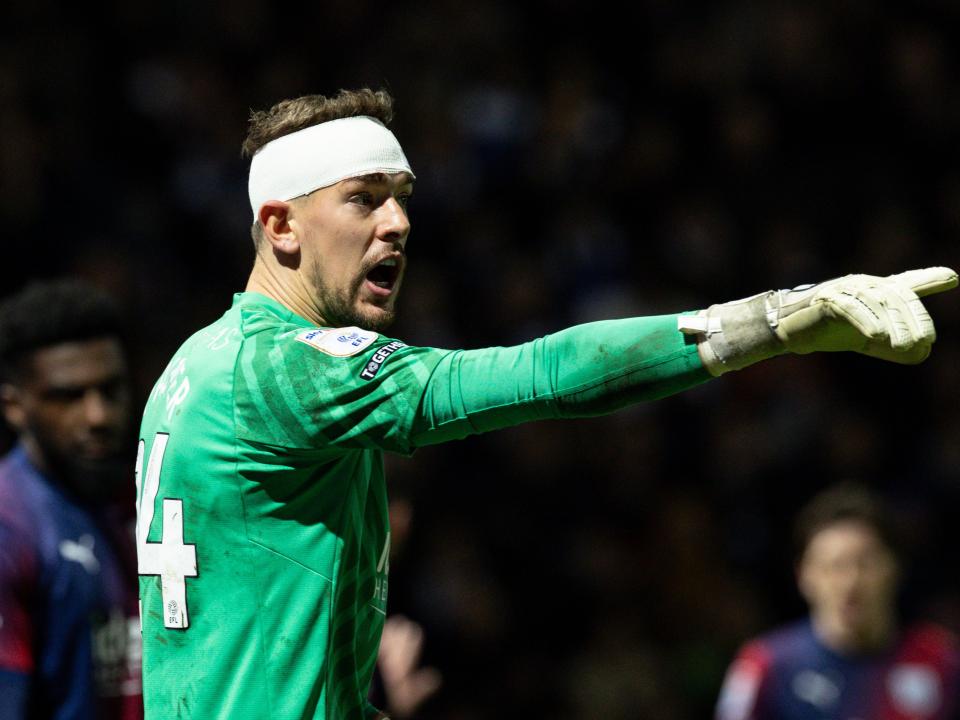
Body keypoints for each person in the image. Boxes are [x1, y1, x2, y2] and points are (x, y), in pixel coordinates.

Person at [135, 87, 957, 720]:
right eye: (364, 198)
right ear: (280, 226)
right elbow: (535, 374)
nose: (399, 222)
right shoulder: (286, 368)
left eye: (404, 195)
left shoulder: (194, 364)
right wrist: (772, 321)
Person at [0, 280, 142, 719]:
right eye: (68, 397)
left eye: (111, 390)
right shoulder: (11, 527)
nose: (98, 415)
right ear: (14, 406)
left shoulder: (151, 495)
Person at [715, 483, 960, 719]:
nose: (850, 583)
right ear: (803, 576)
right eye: (834, 566)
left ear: (895, 568)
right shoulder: (766, 666)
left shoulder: (944, 662)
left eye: (865, 564)